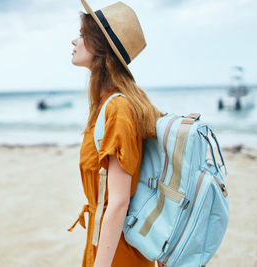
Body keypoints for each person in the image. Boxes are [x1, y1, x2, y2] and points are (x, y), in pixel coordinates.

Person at [67, 1, 164, 266]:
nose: (74, 41)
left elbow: (118, 203)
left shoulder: (118, 109)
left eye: (83, 35)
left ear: (99, 47)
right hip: (103, 242)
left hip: (118, 253)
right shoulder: (105, 106)